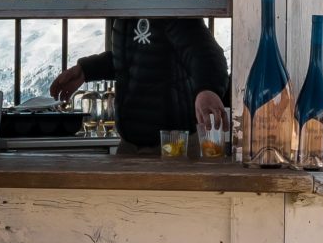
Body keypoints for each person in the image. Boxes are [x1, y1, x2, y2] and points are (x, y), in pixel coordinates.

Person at [50, 14, 232, 149]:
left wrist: (207, 89)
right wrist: (86, 70)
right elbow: (133, 58)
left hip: (173, 146)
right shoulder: (132, 2)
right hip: (130, 143)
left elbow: (207, 55)